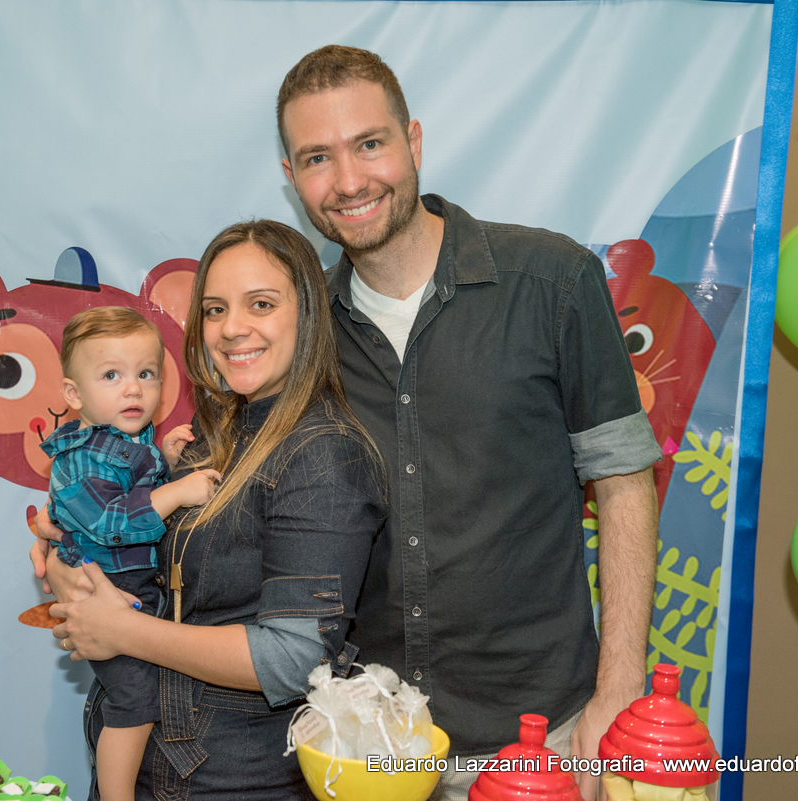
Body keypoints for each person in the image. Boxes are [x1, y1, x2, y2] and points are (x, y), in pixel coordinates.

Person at [276, 46, 663, 800]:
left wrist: (619, 685)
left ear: (414, 142)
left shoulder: (552, 283)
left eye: (370, 144)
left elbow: (624, 482)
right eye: (318, 157)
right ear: (293, 180)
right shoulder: (305, 330)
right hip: (368, 747)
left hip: (542, 736)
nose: (349, 180)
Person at [31, 220, 386, 800]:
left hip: (237, 781)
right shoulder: (213, 430)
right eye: (215, 309)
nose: (232, 329)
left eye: (261, 304)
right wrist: (66, 563)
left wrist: (123, 629)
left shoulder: (326, 456)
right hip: (151, 762)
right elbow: (127, 537)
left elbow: (293, 658)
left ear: (309, 316)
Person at [42, 306, 222, 801]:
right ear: (74, 394)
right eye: (112, 375)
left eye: (146, 374)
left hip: (140, 589)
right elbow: (113, 522)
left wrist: (162, 462)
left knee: (152, 690)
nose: (133, 389)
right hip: (109, 592)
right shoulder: (78, 458)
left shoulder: (129, 441)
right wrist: (178, 490)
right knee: (134, 700)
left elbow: (135, 490)